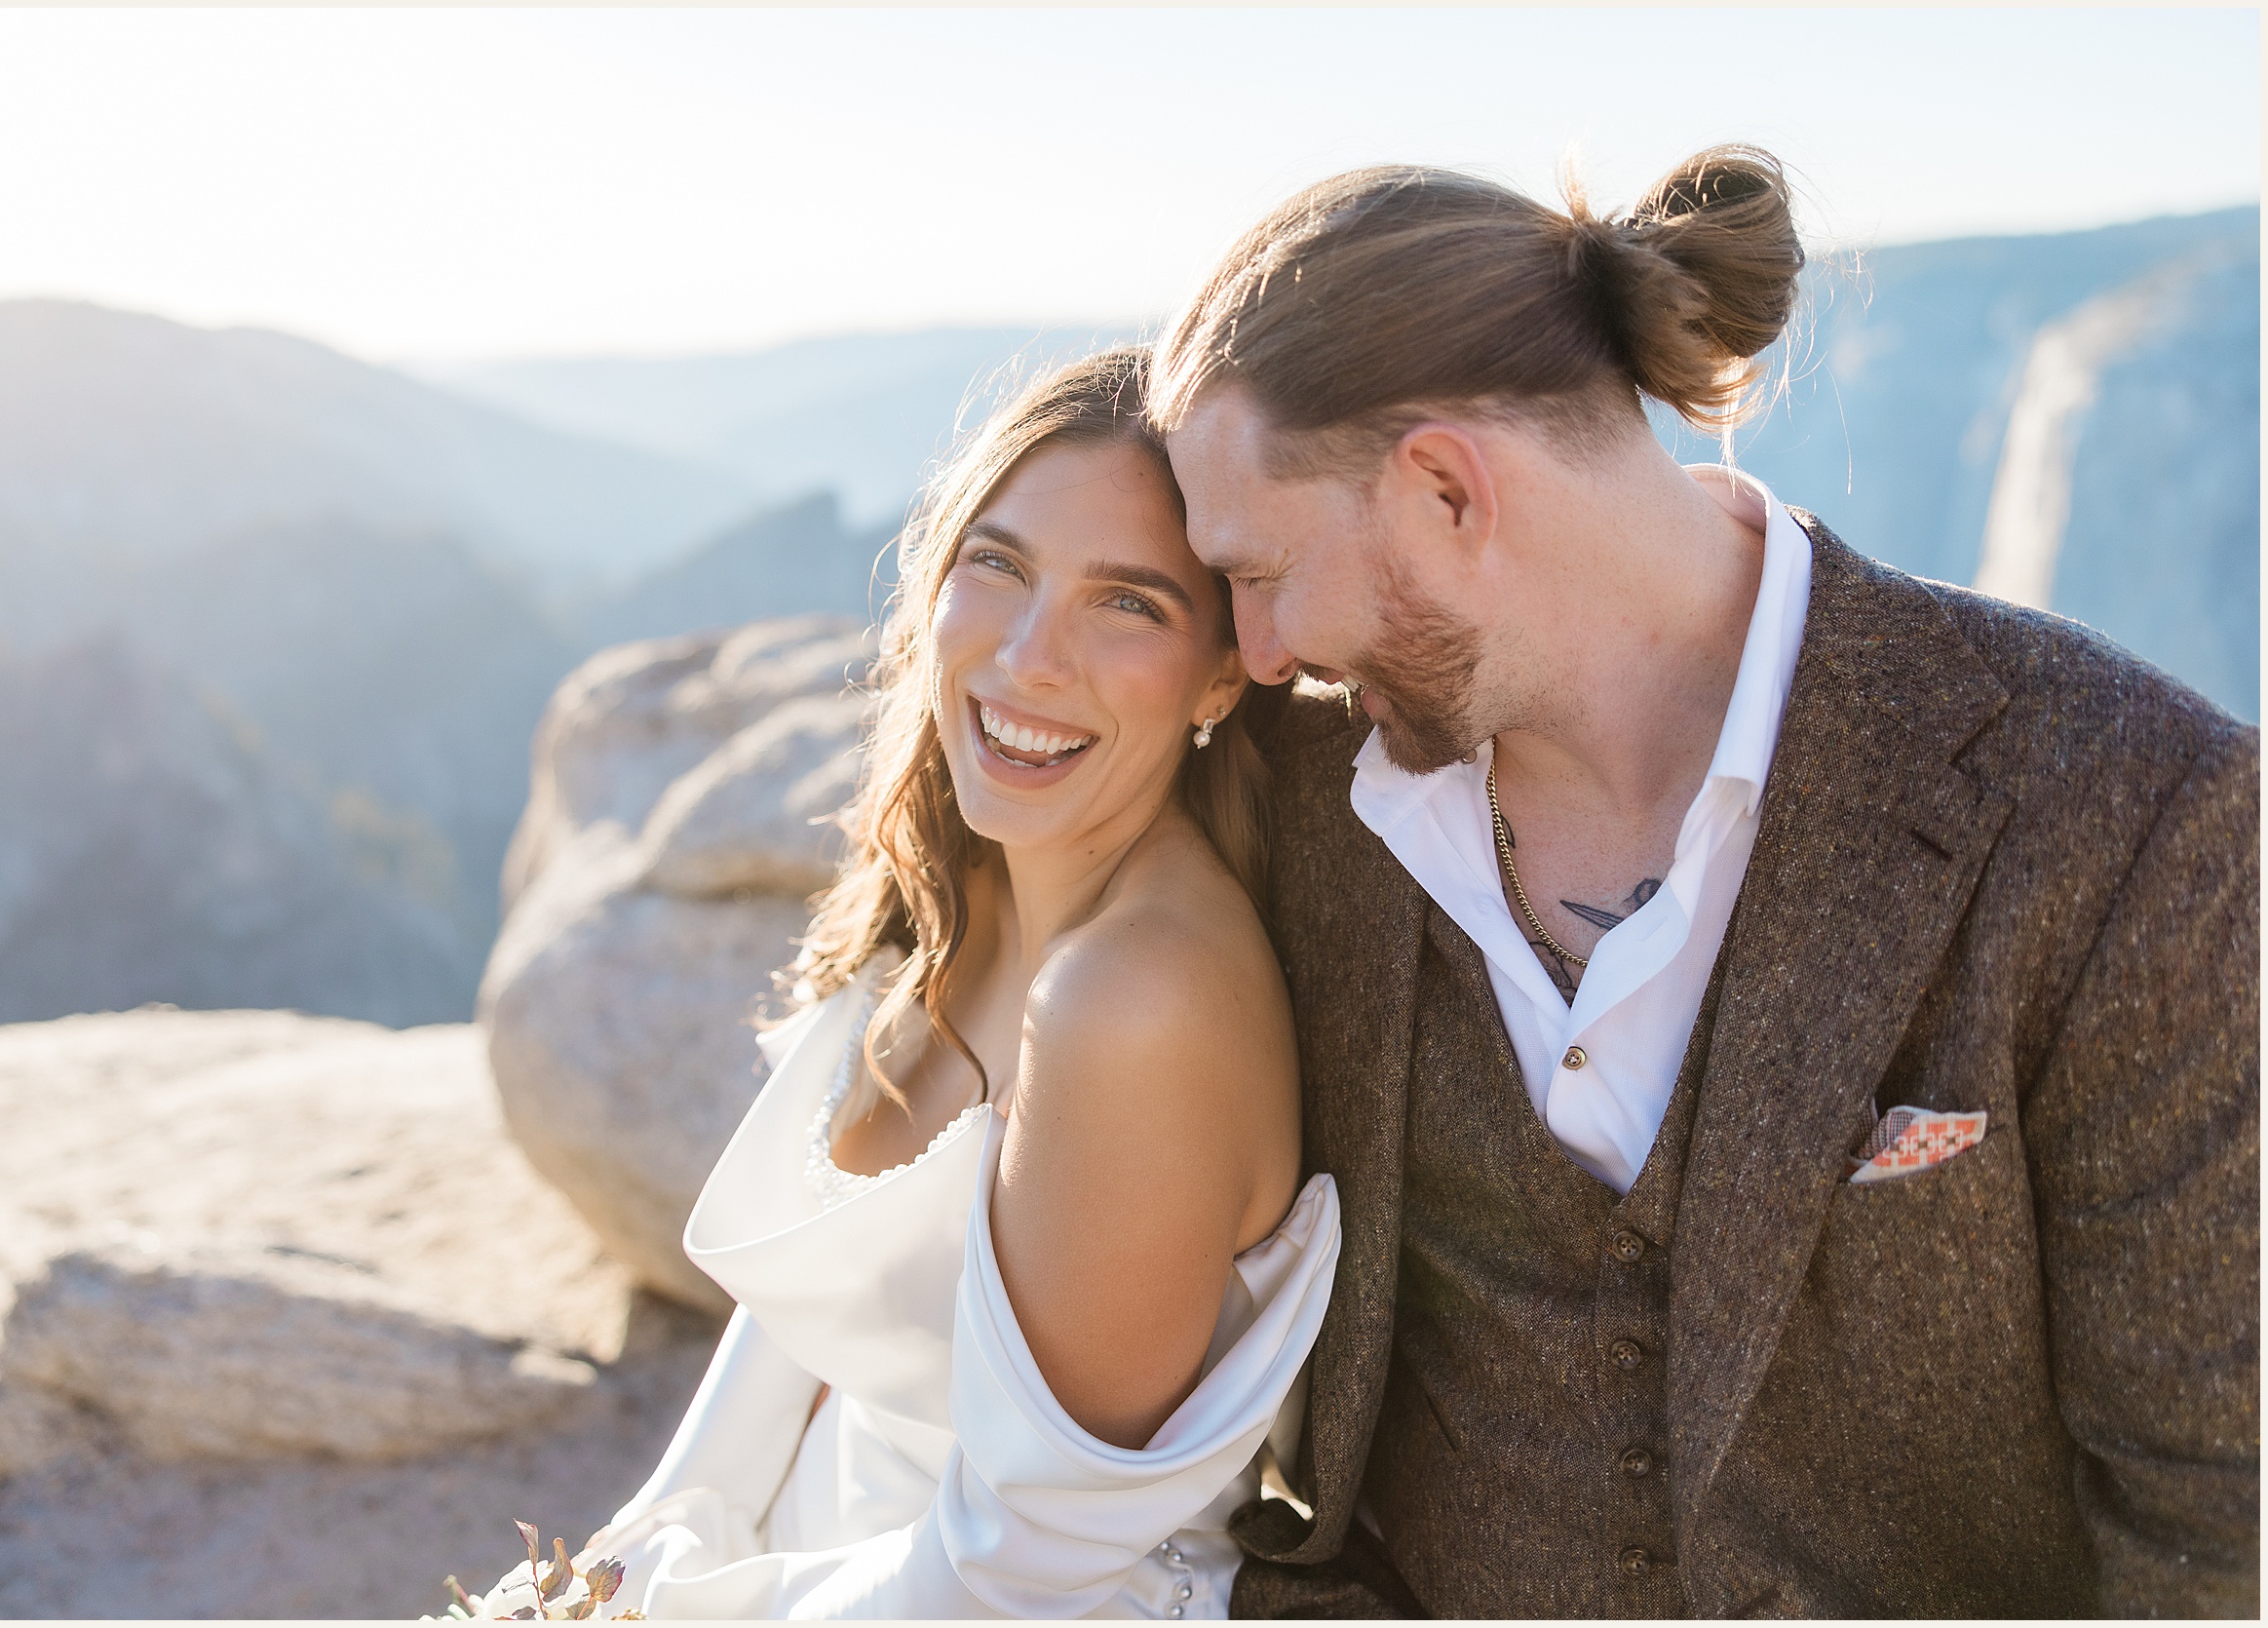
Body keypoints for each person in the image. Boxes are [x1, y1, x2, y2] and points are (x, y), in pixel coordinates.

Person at [1146, 146, 2260, 1616]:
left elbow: (2214, 1531)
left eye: (1260, 570)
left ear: (1445, 491)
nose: (1260, 650)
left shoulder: (2129, 808)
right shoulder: (1292, 796)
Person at [479, 349, 1339, 1619]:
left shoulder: (1138, 997)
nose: (1031, 655)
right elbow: (801, 1326)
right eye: (998, 562)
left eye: (1130, 604)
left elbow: (1021, 1566)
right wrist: (621, 1568)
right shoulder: (971, 884)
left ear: (1223, 672)